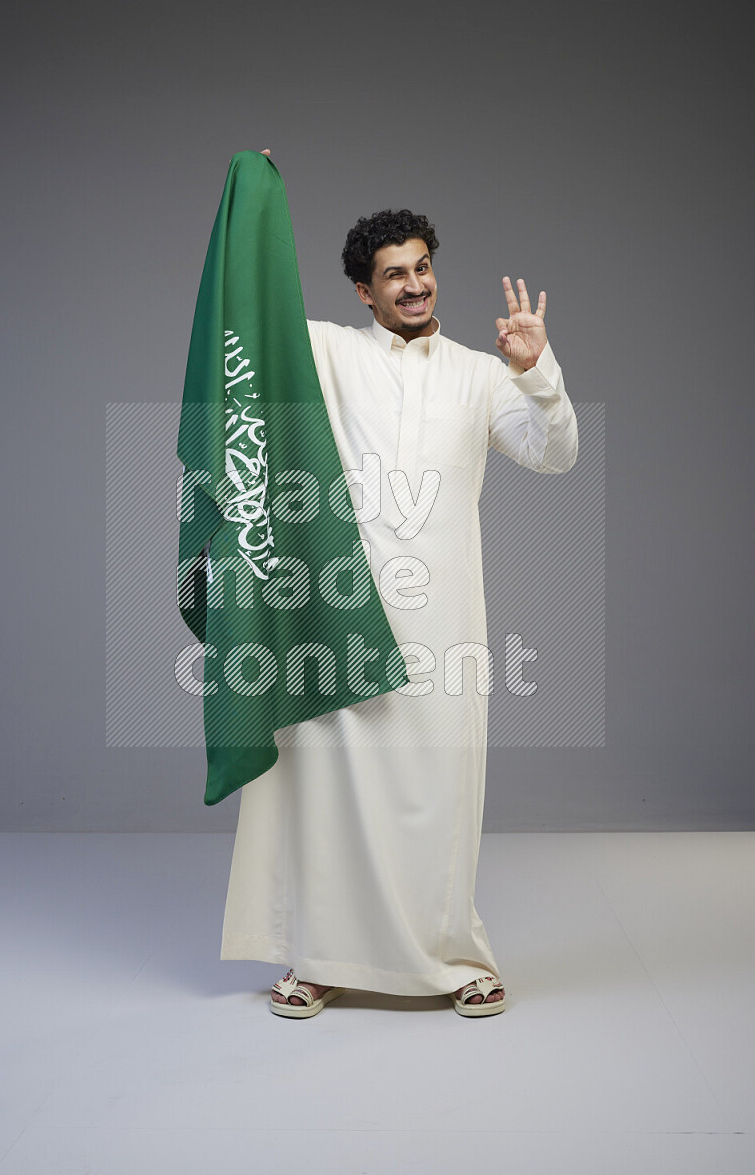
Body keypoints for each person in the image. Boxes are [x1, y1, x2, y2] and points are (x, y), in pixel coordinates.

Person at [219, 150, 579, 1018]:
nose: (414, 287)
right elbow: (250, 311)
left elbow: (556, 453)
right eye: (393, 276)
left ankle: (457, 957)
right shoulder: (330, 355)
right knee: (330, 795)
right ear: (363, 291)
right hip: (341, 617)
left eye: (421, 268)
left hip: (447, 625)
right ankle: (318, 956)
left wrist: (537, 370)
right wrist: (260, 196)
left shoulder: (478, 372)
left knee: (440, 797)